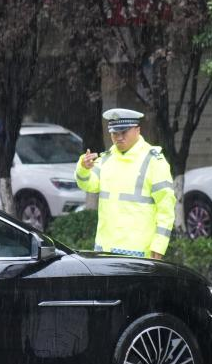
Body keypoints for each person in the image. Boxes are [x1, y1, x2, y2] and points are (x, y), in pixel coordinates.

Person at [75, 108, 175, 259]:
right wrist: (83, 168)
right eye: (115, 133)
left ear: (137, 130)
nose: (119, 138)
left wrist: (159, 246)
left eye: (124, 132)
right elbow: (88, 185)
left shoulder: (154, 161)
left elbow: (166, 208)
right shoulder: (107, 158)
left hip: (136, 254)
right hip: (103, 250)